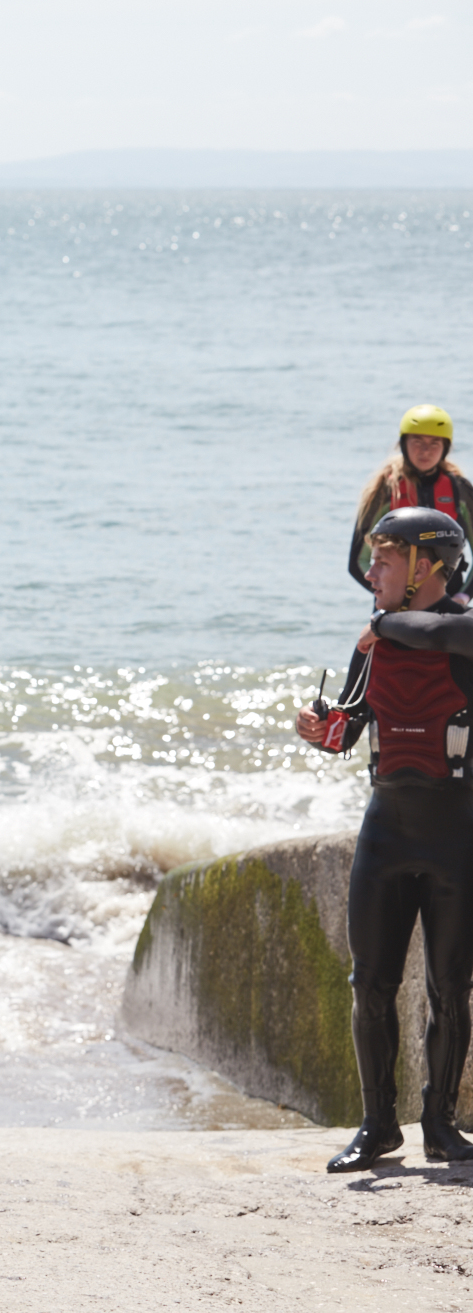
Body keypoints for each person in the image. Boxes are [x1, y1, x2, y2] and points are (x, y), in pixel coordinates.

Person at [298, 505, 473, 1173]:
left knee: (450, 987)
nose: (370, 572)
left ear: (426, 566)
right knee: (369, 982)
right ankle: (377, 1127)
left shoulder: (460, 629)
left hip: (457, 832)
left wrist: (380, 624)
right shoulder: (373, 642)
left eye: (385, 560)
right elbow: (346, 730)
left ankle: (440, 1126)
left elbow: (451, 629)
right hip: (387, 831)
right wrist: (316, 726)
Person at [350, 405, 471, 593]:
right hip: (394, 601)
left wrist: (462, 598)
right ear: (404, 443)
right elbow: (358, 562)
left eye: (434, 443)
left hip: (448, 599)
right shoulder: (385, 490)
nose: (426, 450)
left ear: (445, 447)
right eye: (417, 441)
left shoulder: (460, 490)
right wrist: (391, 595)